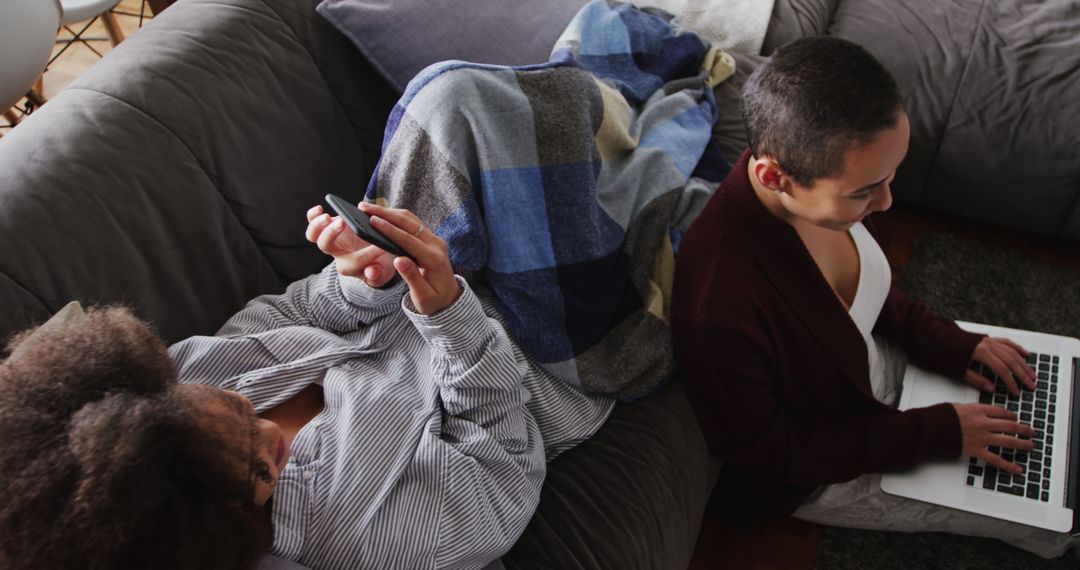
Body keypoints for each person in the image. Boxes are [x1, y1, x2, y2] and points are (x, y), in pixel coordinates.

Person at [0, 202, 613, 570]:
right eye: (256, 470)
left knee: (449, 100)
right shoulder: (365, 537)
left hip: (444, 272)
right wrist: (448, 312)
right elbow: (502, 454)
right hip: (538, 343)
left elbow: (290, 314)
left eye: (240, 408)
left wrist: (359, 279)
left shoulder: (180, 381)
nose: (269, 435)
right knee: (480, 108)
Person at [671, 36, 1076, 557]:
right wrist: (934, 433)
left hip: (854, 373)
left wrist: (950, 342)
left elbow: (869, 292)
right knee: (1052, 517)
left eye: (891, 176)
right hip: (820, 461)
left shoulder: (818, 193)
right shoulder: (718, 312)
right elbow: (770, 452)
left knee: (1054, 407)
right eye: (866, 190)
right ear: (775, 176)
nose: (886, 202)